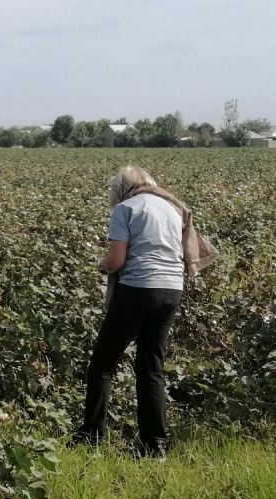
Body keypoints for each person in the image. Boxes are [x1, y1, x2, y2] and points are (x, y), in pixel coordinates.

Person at [76, 165, 191, 458]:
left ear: (121, 189)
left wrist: (100, 264)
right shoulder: (171, 207)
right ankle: (154, 447)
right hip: (172, 289)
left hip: (139, 288)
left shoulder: (125, 209)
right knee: (151, 368)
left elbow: (116, 261)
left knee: (102, 364)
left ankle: (91, 438)